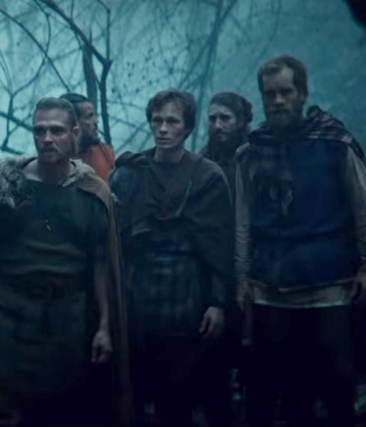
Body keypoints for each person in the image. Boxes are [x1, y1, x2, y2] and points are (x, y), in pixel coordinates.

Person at [0, 97, 131, 427]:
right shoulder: (6, 185)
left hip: (67, 325)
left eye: (56, 131)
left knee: (59, 414)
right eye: (39, 131)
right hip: (5, 321)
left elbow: (102, 264)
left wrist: (104, 327)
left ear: (74, 133)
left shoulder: (93, 194)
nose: (47, 138)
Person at [236, 54, 366, 427]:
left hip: (329, 287)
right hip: (270, 289)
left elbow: (362, 208)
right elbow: (243, 221)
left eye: (285, 92)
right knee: (286, 396)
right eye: (270, 94)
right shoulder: (251, 152)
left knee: (337, 392)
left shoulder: (334, 143)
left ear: (303, 93)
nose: (277, 101)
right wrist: (241, 277)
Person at [110, 89, 234, 427]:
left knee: (177, 400)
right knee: (133, 396)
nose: (163, 128)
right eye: (157, 121)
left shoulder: (207, 177)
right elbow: (112, 239)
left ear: (187, 127)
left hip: (186, 298)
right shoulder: (130, 174)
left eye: (172, 121)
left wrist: (217, 302)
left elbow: (219, 246)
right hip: (137, 296)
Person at [198, 91, 254, 425]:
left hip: (255, 273)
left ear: (241, 121)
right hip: (212, 277)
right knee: (214, 365)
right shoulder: (201, 165)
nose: (218, 125)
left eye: (225, 118)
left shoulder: (256, 160)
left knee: (256, 362)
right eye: (213, 118)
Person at [59, 93, 115, 182]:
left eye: (94, 115)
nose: (96, 121)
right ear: (74, 123)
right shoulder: (56, 162)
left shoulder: (106, 153)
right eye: (89, 116)